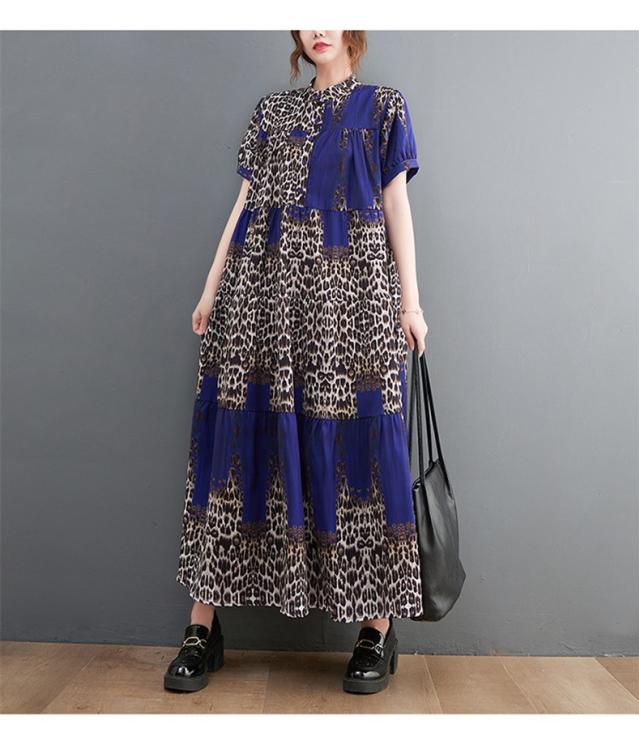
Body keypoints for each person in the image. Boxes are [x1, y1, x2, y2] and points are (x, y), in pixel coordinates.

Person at [165, 29, 428, 696]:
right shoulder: (272, 110)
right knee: (236, 447)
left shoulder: (384, 106)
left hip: (353, 299)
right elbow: (245, 205)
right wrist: (210, 286)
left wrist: (411, 303)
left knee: (364, 454)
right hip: (263, 297)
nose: (317, 27)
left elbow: (396, 203)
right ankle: (201, 628)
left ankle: (376, 628)